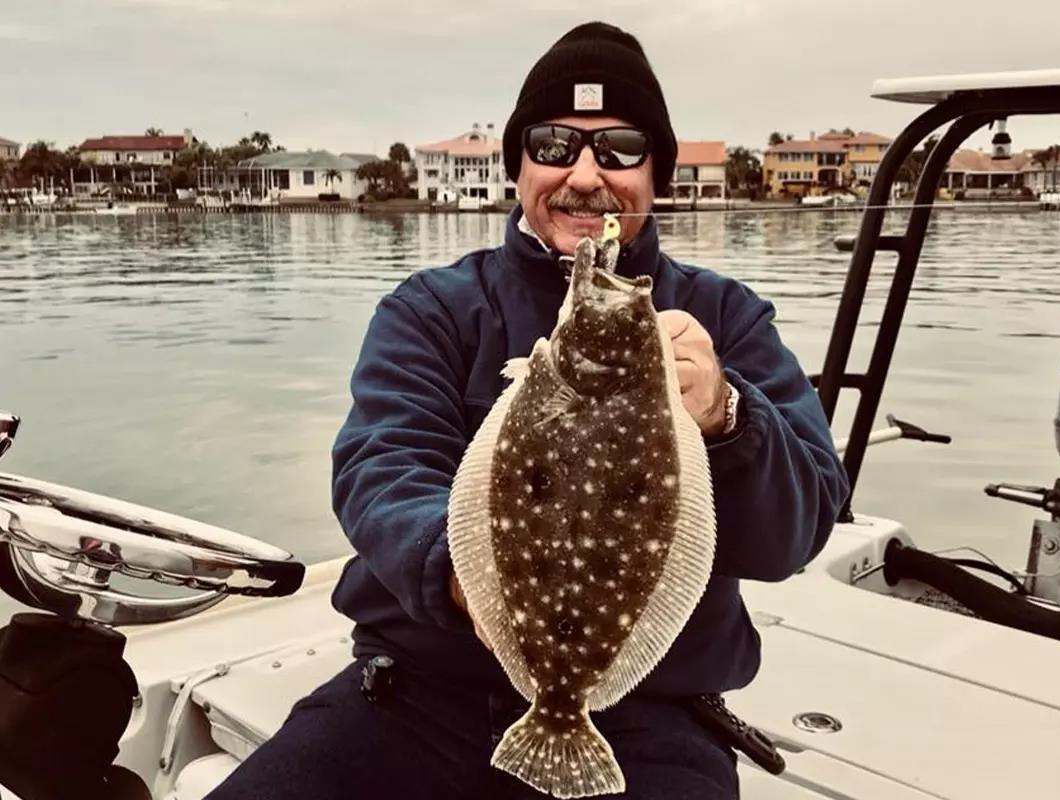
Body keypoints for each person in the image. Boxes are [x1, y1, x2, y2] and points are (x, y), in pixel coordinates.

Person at [206, 21, 848, 800]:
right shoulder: (434, 310)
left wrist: (728, 417)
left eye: (619, 148)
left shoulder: (728, 320)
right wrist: (461, 579)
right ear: (518, 167)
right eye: (552, 145)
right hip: (413, 691)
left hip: (646, 716)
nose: (585, 174)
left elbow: (800, 530)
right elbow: (382, 466)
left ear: (658, 174)